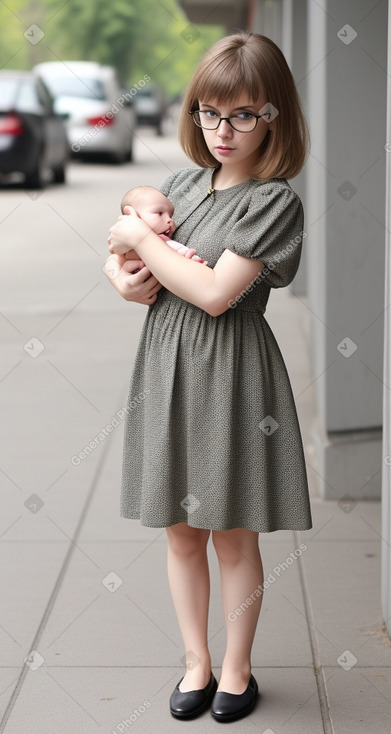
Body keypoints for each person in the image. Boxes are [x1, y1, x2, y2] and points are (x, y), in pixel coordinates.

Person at [106, 31, 312, 724]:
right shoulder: (181, 184)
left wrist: (139, 244)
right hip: (165, 361)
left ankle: (236, 669)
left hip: (231, 370)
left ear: (275, 115)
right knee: (179, 529)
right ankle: (195, 661)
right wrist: (124, 270)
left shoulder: (272, 199)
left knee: (231, 532)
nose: (223, 131)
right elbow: (140, 273)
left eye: (244, 114)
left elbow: (216, 293)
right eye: (209, 112)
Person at [119, 186, 207, 265]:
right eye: (160, 213)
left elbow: (176, 250)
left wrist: (189, 257)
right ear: (132, 214)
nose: (169, 220)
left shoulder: (162, 241)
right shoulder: (123, 238)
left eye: (170, 216)